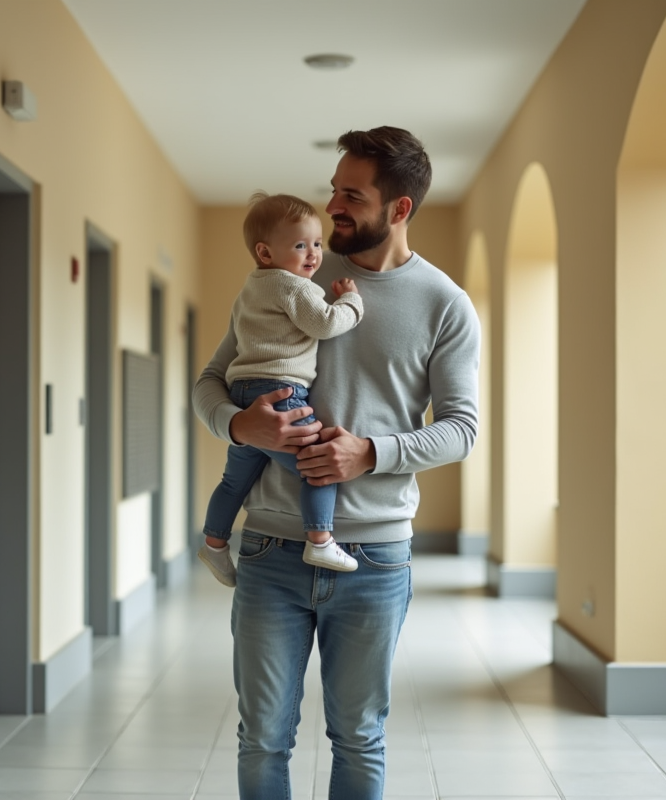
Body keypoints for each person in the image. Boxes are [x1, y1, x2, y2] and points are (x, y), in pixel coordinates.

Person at [193, 126, 480, 799]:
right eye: (334, 189)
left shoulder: (444, 305)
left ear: (399, 209)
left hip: (376, 559)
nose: (334, 206)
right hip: (269, 549)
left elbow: (463, 430)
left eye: (352, 195)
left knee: (359, 736)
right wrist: (240, 424)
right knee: (262, 737)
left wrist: (370, 453)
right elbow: (209, 381)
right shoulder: (286, 275)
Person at [198, 192, 365, 588]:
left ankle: (214, 542)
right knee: (319, 467)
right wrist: (352, 303)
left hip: (244, 395)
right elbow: (324, 324)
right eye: (300, 245)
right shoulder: (297, 287)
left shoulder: (250, 289)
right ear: (265, 252)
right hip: (283, 394)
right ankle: (320, 538)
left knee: (234, 481)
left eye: (317, 244)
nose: (313, 255)